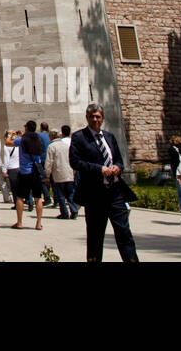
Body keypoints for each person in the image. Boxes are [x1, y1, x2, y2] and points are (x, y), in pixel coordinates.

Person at [69, 103, 138, 262]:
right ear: (87, 118)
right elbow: (75, 162)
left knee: (124, 232)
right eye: (92, 117)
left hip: (115, 193)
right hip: (94, 195)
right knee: (95, 235)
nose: (95, 120)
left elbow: (119, 160)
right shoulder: (79, 137)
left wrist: (117, 168)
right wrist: (99, 169)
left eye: (98, 117)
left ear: (102, 118)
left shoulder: (109, 137)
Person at [14, 120, 45, 230]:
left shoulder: (21, 139)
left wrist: (16, 135)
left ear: (26, 128)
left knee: (20, 197)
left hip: (25, 172)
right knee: (38, 198)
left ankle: (19, 222)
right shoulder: (38, 139)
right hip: (35, 172)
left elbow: (8, 142)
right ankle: (38, 223)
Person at [45, 125, 78, 219]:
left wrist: (47, 174)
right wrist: (74, 170)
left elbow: (49, 162)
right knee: (70, 193)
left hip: (58, 174)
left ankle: (64, 213)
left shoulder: (51, 147)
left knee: (61, 195)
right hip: (69, 172)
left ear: (51, 136)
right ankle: (74, 210)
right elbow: (73, 158)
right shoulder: (66, 145)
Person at [38, 122, 53, 207]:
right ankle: (57, 200)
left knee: (42, 179)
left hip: (43, 159)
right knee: (53, 180)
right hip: (51, 158)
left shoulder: (39, 136)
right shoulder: (50, 135)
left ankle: (47, 198)